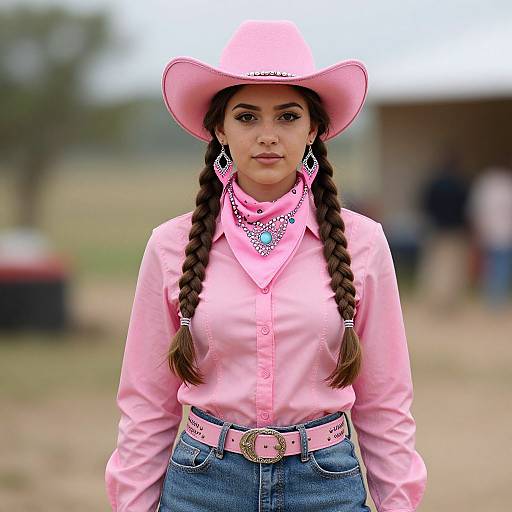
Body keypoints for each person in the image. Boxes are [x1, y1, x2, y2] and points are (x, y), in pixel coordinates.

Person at [104, 20, 427, 512]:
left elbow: (385, 401)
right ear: (220, 128)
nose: (268, 136)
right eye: (248, 117)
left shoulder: (363, 243)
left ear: (314, 128)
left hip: (327, 485)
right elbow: (146, 403)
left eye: (288, 116)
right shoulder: (170, 246)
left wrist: (399, 503)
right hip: (201, 484)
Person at [466, 163, 512, 308]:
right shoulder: (505, 186)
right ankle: (496, 298)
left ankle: (492, 297)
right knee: (500, 266)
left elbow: (476, 209)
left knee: (491, 266)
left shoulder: (487, 185)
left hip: (491, 232)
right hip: (502, 233)